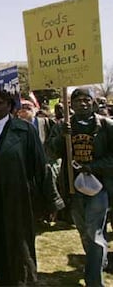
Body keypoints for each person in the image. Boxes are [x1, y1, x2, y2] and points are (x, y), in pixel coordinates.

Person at [0, 90, 64, 285]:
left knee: (19, 242)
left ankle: (24, 281)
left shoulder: (24, 130)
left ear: (9, 106)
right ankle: (2, 277)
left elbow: (41, 166)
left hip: (17, 195)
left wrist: (52, 200)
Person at [46, 88, 113, 287]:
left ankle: (94, 281)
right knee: (84, 233)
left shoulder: (106, 125)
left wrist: (92, 167)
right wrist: (61, 137)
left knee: (94, 233)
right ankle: (98, 261)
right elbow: (50, 151)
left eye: (87, 100)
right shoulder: (63, 126)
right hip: (73, 188)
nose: (82, 104)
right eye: (78, 100)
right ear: (71, 104)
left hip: (98, 188)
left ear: (93, 102)